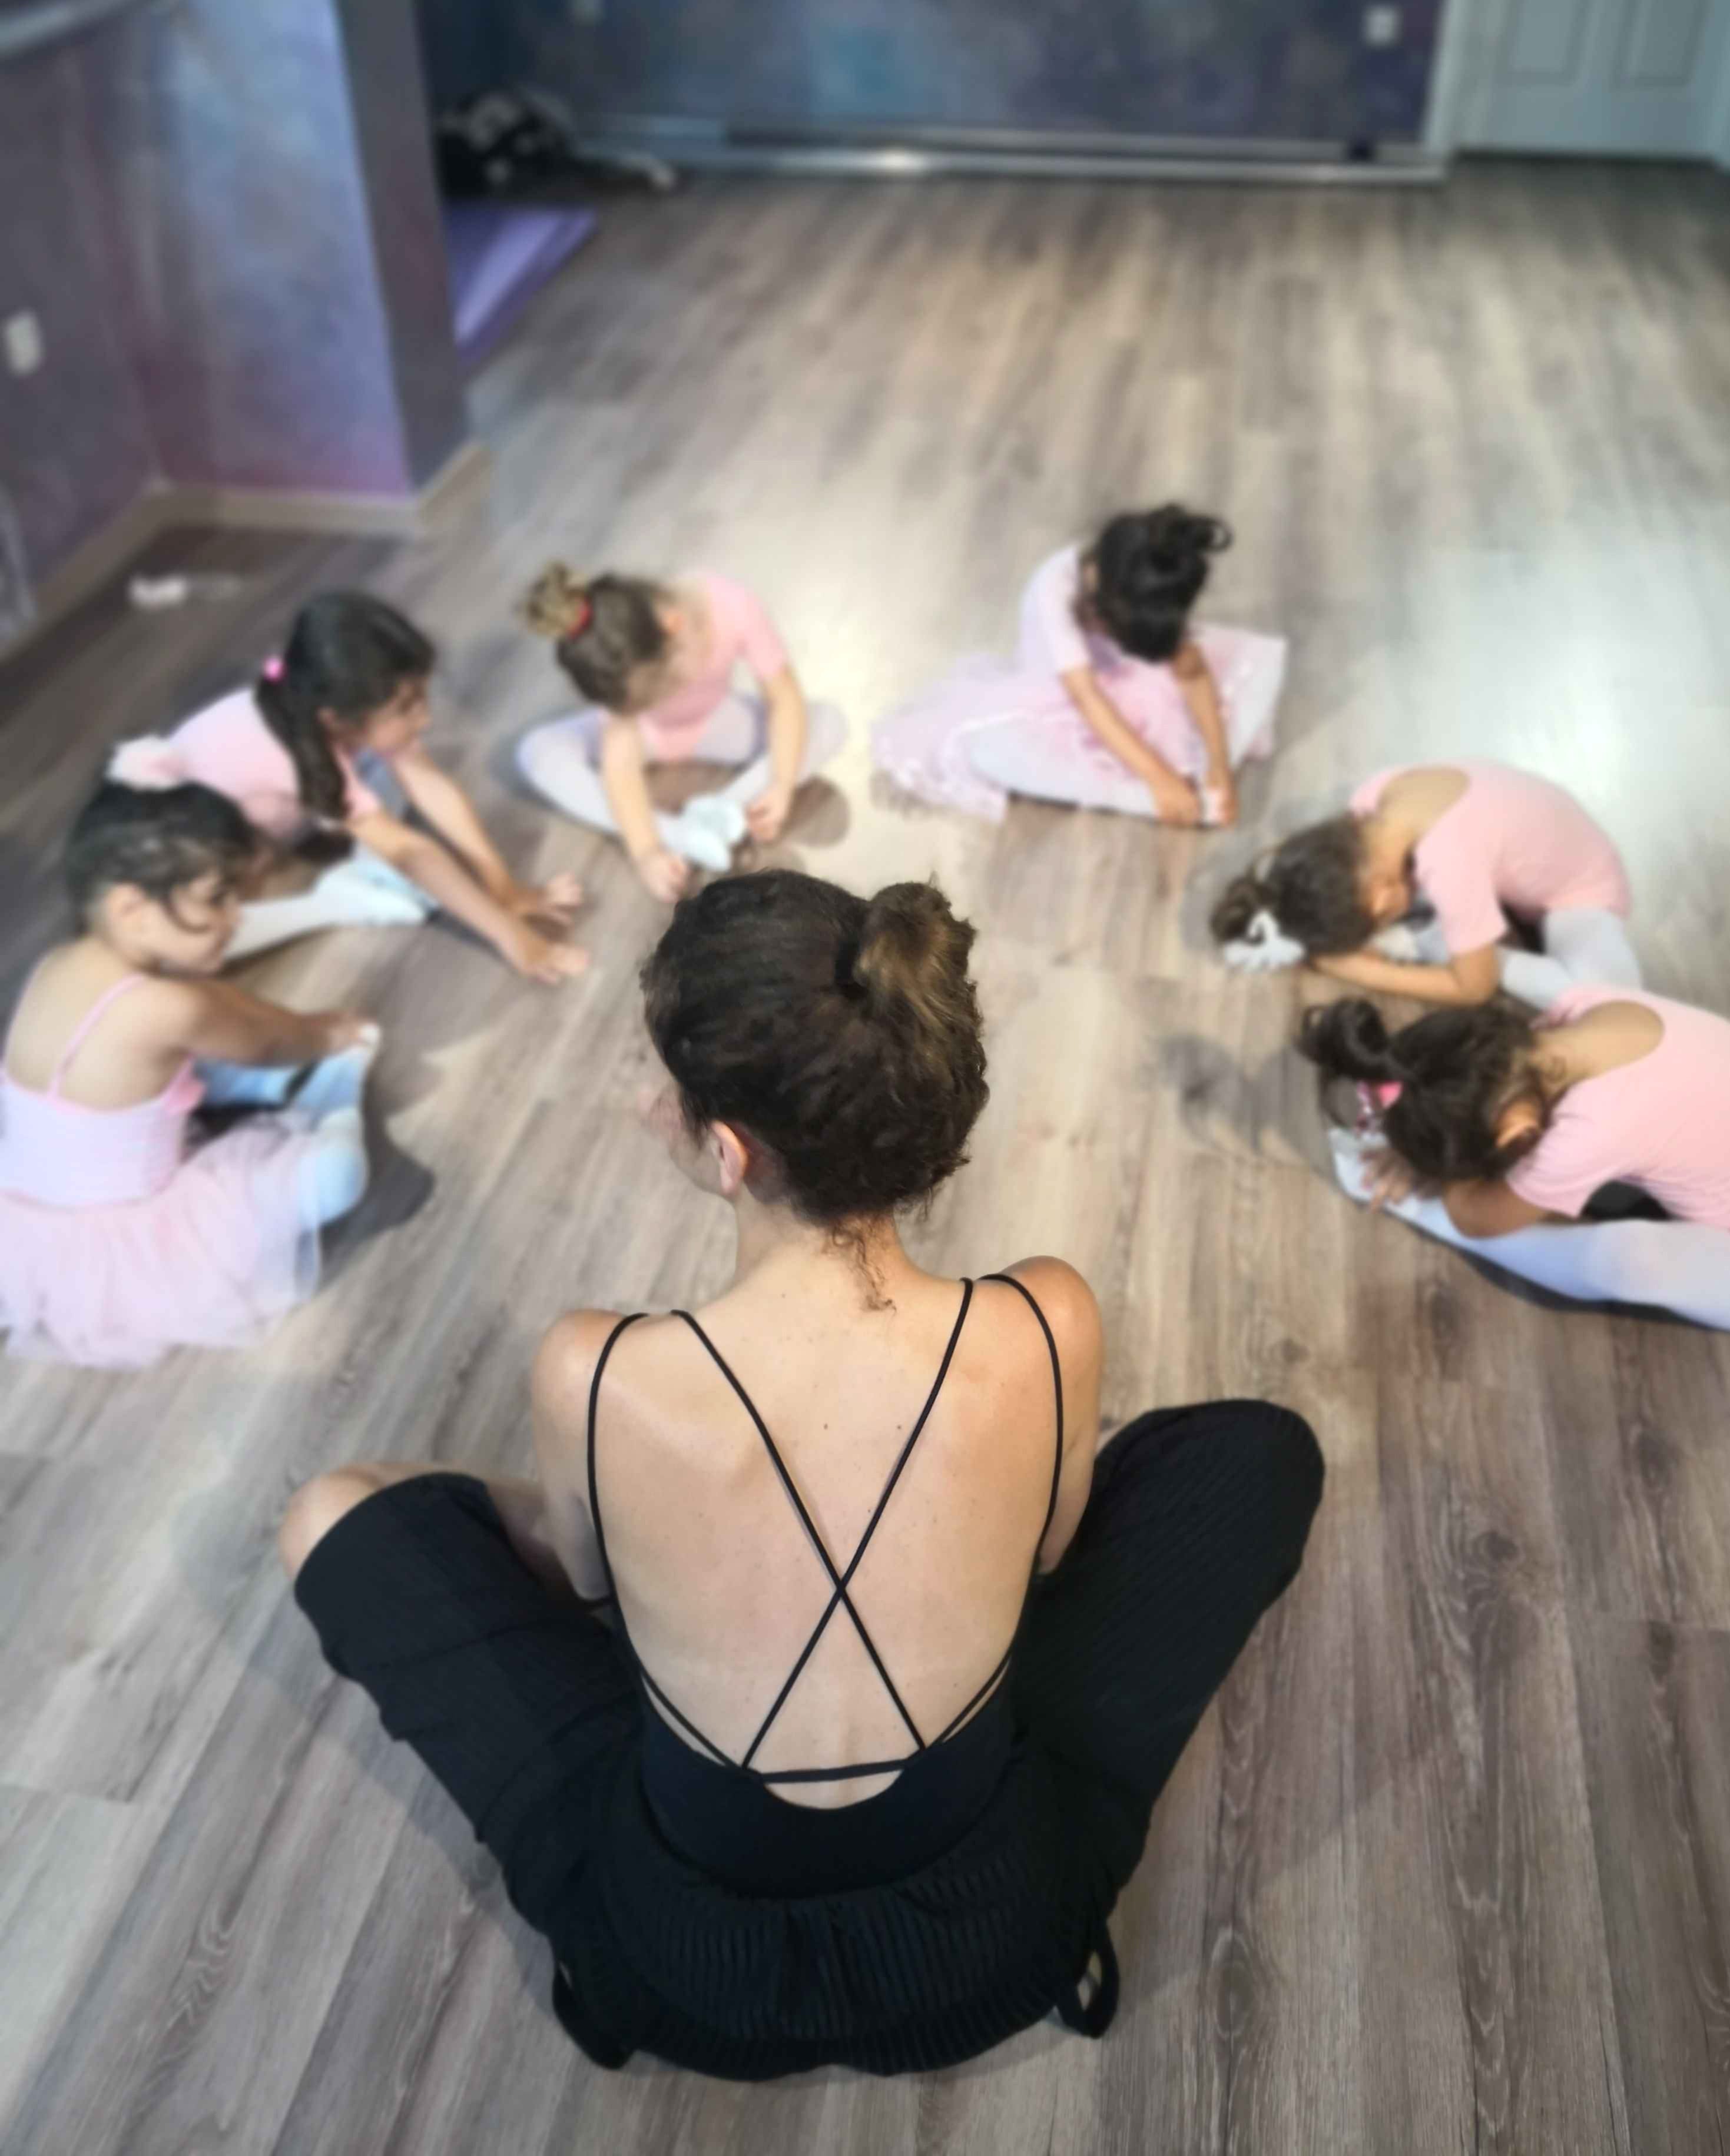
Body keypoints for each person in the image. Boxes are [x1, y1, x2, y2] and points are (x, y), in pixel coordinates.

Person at [280, 870, 1323, 2076]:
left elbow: (587, 1588)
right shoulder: (1049, 1317)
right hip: (992, 1938)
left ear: (728, 1150)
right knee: (1259, 1450)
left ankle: (614, 1934)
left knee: (338, 1511)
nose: (648, 1104)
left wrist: (641, 1506)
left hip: (687, 1969)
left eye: (664, 1087)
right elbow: (1050, 1555)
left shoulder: (594, 1369)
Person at [0, 781, 379, 1369]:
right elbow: (265, 1039)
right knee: (339, 1176)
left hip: (22, 1214)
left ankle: (266, 1089)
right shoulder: (165, 1006)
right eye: (218, 899)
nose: (236, 918)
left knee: (174, 1059)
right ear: (131, 910)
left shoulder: (59, 962)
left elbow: (221, 1006)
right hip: (121, 1244)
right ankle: (336, 1095)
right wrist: (329, 1035)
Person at [111, 592, 588, 982]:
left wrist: (502, 885)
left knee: (394, 774)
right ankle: (336, 902)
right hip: (188, 861)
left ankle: (350, 866)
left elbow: (428, 783)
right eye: (406, 708)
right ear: (336, 719)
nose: (425, 717)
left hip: (274, 822)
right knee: (191, 944)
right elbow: (410, 852)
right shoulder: (288, 752)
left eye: (422, 697)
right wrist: (509, 936)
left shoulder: (319, 709)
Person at [1301, 990, 1730, 1332]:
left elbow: (1477, 1219)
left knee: (1626, 1261)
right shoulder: (1587, 1004)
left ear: (1518, 1132)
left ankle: (1416, 1207)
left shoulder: (1588, 1131)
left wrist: (1441, 1168)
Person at [872, 505, 1286, 827]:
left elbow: (1193, 672)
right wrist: (1159, 779)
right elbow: (1087, 699)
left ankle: (1187, 790)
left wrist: (1218, 764)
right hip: (1063, 700)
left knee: (1253, 671)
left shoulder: (1148, 601)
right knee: (992, 753)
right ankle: (1147, 798)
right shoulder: (1053, 590)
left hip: (1129, 678)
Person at [516, 565, 847, 903]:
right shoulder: (620, 658)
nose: (650, 703)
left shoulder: (733, 605)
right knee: (537, 750)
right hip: (647, 735)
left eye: (653, 693)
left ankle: (723, 812)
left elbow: (784, 698)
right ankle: (686, 832)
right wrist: (646, 852)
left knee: (828, 723)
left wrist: (781, 785)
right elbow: (621, 766)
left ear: (672, 625)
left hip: (717, 721)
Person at [1212, 760, 1636, 1010]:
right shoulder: (1371, 799)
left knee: (1610, 1001)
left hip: (1583, 891)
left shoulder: (1449, 861)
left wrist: (1361, 970)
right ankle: (1454, 935)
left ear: (1381, 899)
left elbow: (1474, 987)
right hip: (1535, 842)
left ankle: (1435, 941)